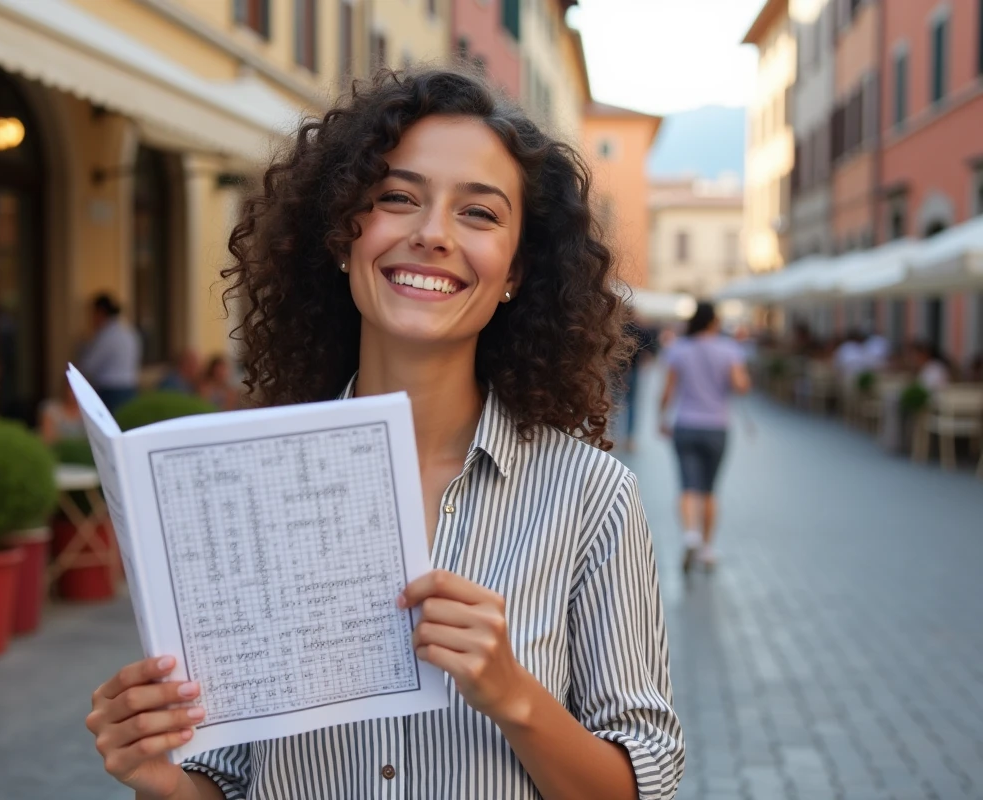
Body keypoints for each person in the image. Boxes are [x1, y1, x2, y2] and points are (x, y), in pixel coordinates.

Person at [85, 68, 684, 800]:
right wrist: (163, 781)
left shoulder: (592, 498)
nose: (431, 235)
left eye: (480, 214)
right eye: (397, 198)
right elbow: (228, 777)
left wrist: (515, 696)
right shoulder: (243, 488)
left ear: (516, 273)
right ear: (343, 235)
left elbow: (642, 784)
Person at [657, 301, 751, 573]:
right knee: (709, 490)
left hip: (685, 424)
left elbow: (668, 390)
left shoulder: (679, 349)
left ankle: (690, 535)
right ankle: (707, 548)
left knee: (688, 486)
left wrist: (661, 418)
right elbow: (740, 385)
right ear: (714, 322)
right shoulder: (729, 349)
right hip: (717, 426)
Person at [77, 293, 142, 411]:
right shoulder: (129, 333)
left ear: (100, 313)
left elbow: (88, 367)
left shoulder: (105, 336)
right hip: (130, 389)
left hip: (110, 392)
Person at [614, 313, 659, 452]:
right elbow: (649, 350)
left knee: (615, 405)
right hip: (633, 371)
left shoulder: (616, 329)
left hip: (617, 372)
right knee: (632, 405)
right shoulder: (639, 330)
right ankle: (629, 438)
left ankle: (614, 437)